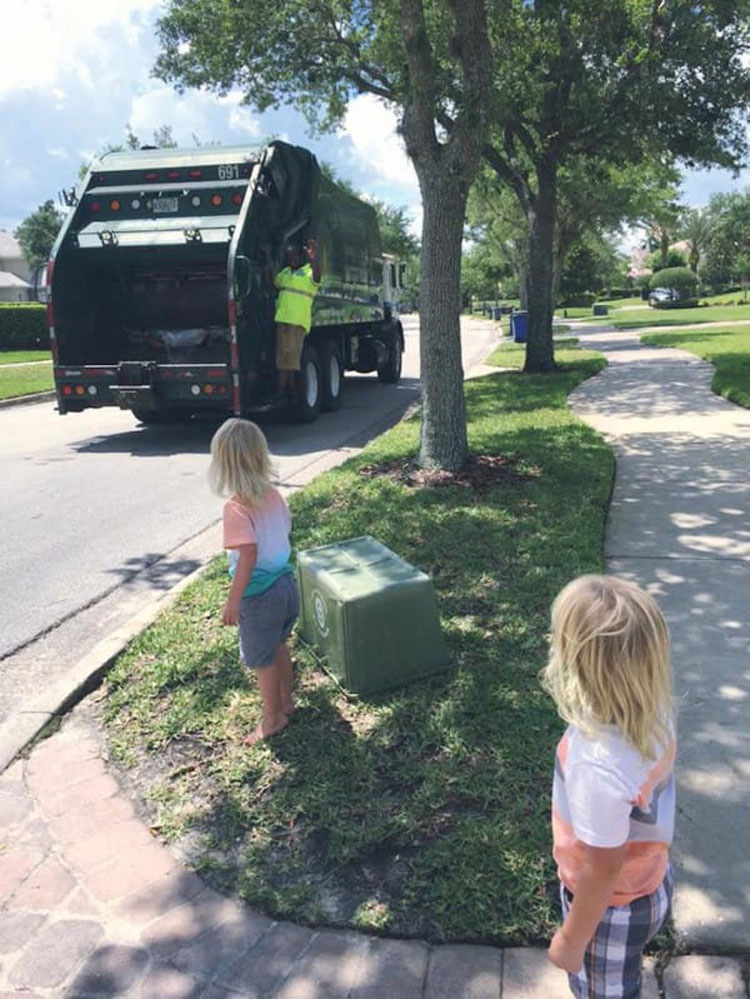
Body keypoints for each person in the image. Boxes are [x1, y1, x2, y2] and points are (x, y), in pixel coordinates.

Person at [542, 575, 675, 999]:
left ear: (576, 662)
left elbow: (603, 867)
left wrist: (572, 939)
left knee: (606, 992)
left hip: (610, 910)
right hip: (652, 883)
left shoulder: (596, 765)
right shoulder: (654, 714)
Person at [208, 418, 299, 746]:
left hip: (260, 596)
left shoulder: (235, 508)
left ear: (225, 466)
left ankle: (273, 718)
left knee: (262, 660)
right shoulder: (274, 495)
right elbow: (285, 529)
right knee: (279, 645)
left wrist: (233, 599)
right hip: (288, 587)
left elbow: (247, 554)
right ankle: (287, 701)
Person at [274, 239, 321, 395]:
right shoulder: (286, 272)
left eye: (294, 255)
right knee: (282, 361)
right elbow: (274, 281)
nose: (291, 259)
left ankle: (289, 392)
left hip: (297, 323)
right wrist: (268, 256)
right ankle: (285, 392)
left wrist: (314, 259)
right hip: (283, 322)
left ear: (302, 257)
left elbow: (317, 277)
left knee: (291, 362)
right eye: (289, 256)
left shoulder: (308, 272)